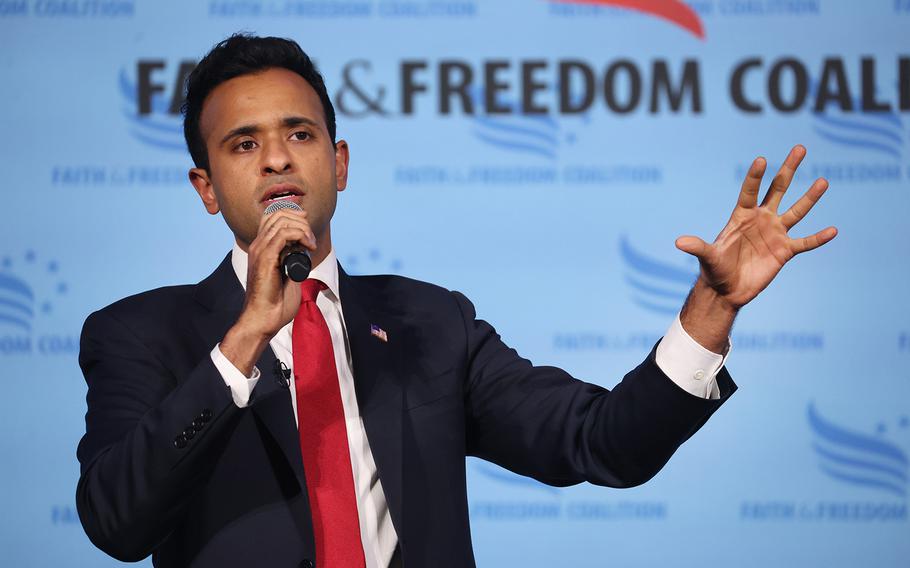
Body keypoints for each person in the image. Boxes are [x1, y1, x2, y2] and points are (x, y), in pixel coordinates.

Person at [75, 34, 837, 568]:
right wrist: (243, 341)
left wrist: (712, 308)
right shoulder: (141, 335)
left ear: (338, 164)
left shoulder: (430, 326)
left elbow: (603, 442)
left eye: (299, 134)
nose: (276, 156)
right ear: (205, 188)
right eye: (243, 144)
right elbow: (116, 521)